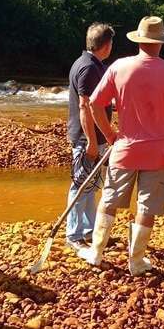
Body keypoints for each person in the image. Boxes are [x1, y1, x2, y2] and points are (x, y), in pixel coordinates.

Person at [78, 16, 164, 276]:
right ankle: (136, 261)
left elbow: (94, 104)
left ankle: (95, 253)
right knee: (146, 207)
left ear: (138, 40)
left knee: (109, 201)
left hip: (124, 147)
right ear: (161, 43)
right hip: (158, 151)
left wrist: (109, 133)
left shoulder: (119, 67)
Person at [63, 22, 115, 250]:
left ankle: (89, 230)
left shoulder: (87, 63)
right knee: (81, 184)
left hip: (90, 136)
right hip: (87, 138)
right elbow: (85, 107)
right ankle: (74, 235)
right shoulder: (89, 68)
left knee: (91, 185)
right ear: (106, 45)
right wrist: (92, 141)